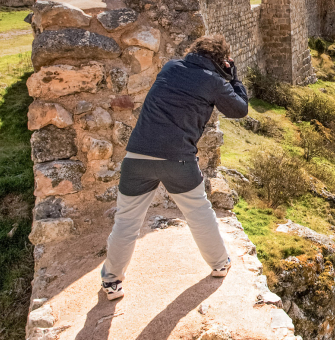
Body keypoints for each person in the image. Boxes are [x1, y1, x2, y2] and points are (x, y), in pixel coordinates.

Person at [100, 34, 249, 300]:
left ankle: (111, 281)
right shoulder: (214, 82)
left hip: (138, 156)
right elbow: (239, 109)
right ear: (221, 61)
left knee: (126, 222)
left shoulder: (170, 67)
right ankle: (219, 263)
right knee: (198, 212)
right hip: (178, 158)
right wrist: (234, 78)